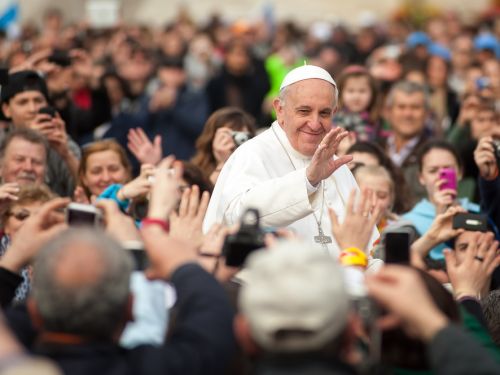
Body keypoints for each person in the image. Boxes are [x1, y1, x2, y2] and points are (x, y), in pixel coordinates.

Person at [204, 65, 378, 256]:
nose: (314, 123)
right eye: (304, 111)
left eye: (324, 113)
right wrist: (307, 180)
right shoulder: (252, 153)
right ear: (279, 109)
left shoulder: (337, 166)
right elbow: (239, 216)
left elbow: (367, 244)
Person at [0, 70, 80, 197]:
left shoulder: (61, 142)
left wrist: (66, 154)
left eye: (38, 101)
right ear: (7, 109)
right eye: (23, 102)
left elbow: (86, 189)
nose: (32, 109)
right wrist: (29, 137)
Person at [403, 140, 480, 259]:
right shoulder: (407, 222)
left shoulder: (479, 212)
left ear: (460, 172)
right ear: (421, 178)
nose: (440, 176)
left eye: (447, 169)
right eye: (433, 171)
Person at [378, 80, 431, 203]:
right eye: (401, 107)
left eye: (415, 107)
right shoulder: (375, 148)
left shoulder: (435, 153)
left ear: (427, 113)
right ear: (388, 112)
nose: (408, 114)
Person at [0, 184, 55, 302]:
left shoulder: (62, 261)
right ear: (5, 224)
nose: (30, 224)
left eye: (39, 217)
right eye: (22, 216)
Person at [191, 107, 257, 184]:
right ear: (212, 138)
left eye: (242, 137)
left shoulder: (255, 166)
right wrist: (223, 162)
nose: (235, 141)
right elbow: (208, 193)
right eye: (230, 135)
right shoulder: (195, 173)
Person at [333, 65, 381, 142]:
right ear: (341, 93)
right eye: (351, 91)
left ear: (373, 94)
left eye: (362, 91)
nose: (356, 97)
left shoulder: (377, 121)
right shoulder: (335, 120)